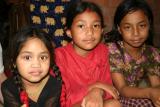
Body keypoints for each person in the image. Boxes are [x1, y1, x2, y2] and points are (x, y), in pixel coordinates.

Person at [55, 1, 121, 107]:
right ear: (69, 32)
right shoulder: (59, 56)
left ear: (102, 30)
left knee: (115, 104)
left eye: (95, 25)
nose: (90, 32)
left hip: (98, 102)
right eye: (81, 26)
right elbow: (63, 100)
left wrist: (98, 91)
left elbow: (111, 91)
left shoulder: (104, 51)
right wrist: (94, 87)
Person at [104, 0, 160, 106]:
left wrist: (156, 94)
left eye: (142, 26)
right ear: (119, 29)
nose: (136, 33)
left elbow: (156, 85)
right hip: (115, 98)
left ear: (149, 25)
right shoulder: (113, 50)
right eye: (128, 27)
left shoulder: (151, 52)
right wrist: (149, 93)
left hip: (137, 95)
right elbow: (122, 88)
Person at [1, 26, 62, 107]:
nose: (36, 64)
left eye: (43, 57)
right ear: (14, 62)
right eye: (27, 57)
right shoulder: (8, 87)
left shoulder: (54, 85)